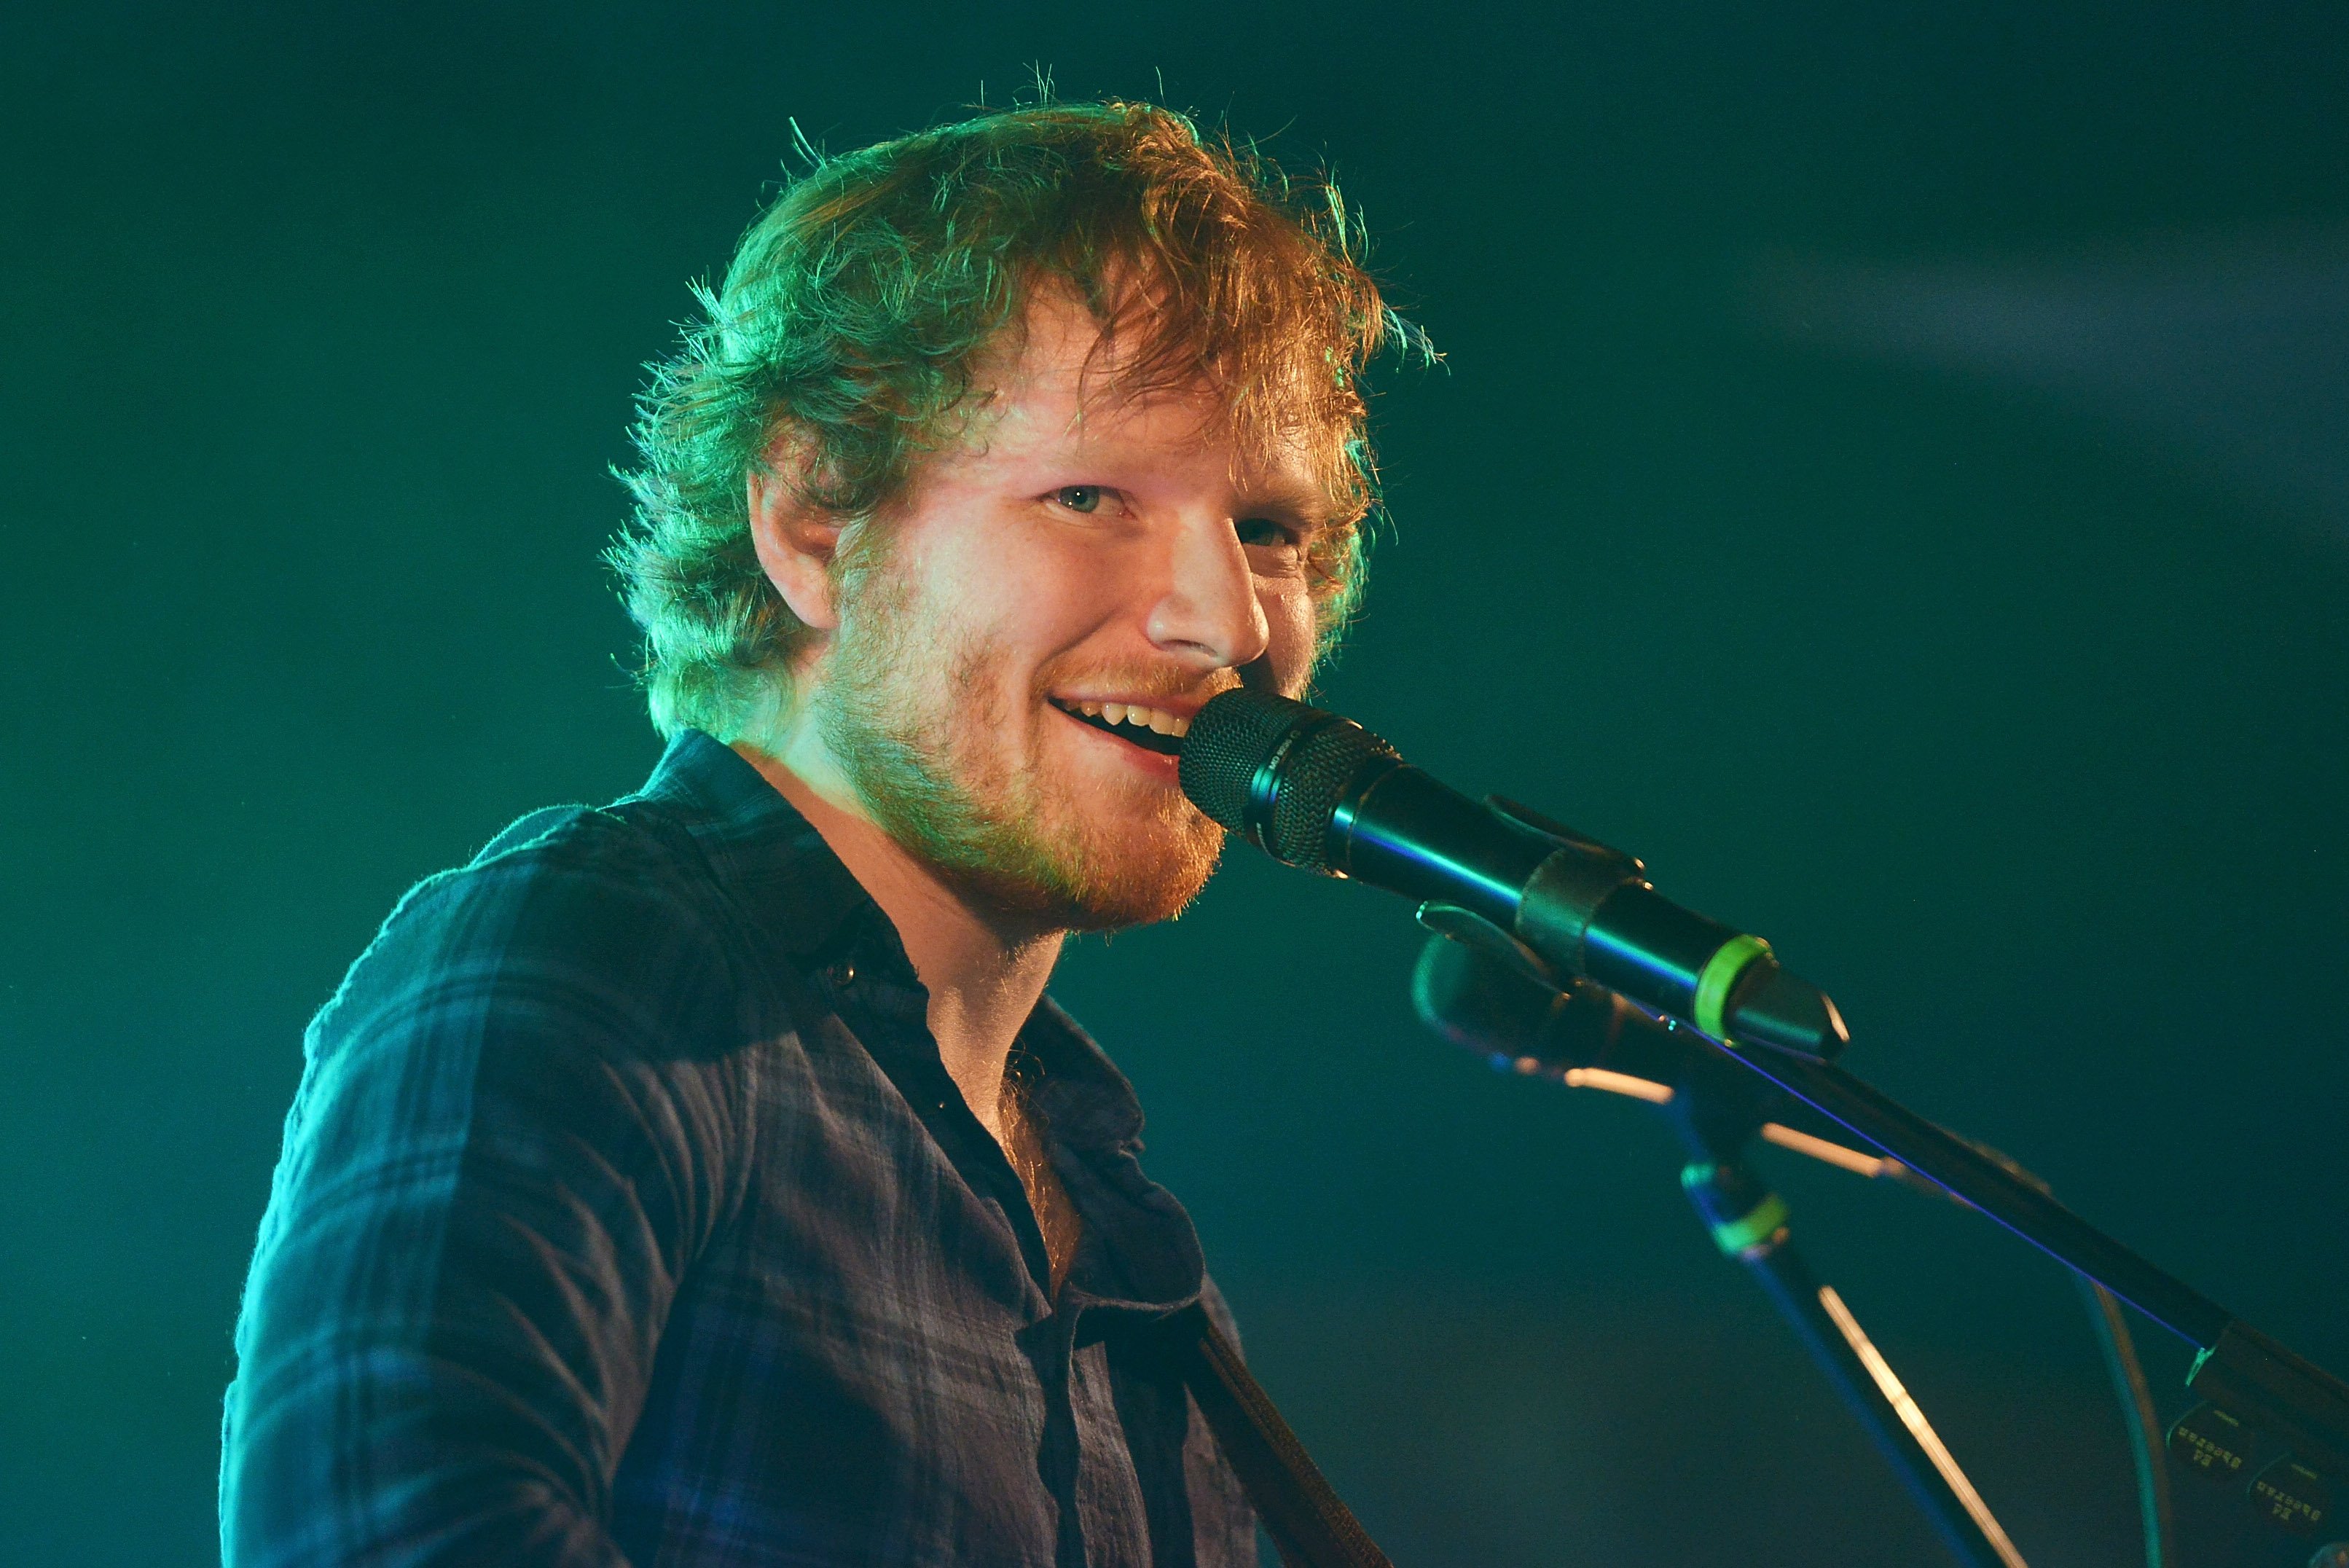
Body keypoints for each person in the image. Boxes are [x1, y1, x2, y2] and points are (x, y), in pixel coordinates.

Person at [220, 99, 1399, 1567]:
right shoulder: (602, 960)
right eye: (1090, 494)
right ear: (812, 519)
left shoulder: (1142, 1265)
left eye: (1270, 531)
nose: (1223, 621)